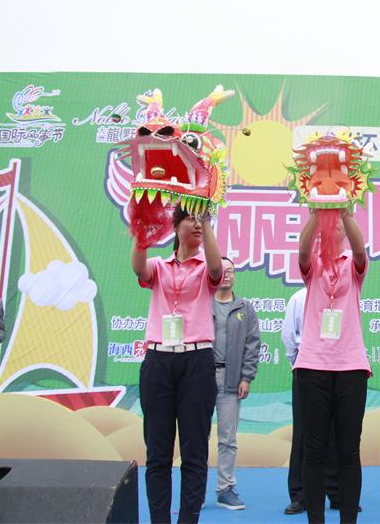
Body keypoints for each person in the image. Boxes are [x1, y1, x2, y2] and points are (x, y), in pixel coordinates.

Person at [133, 206, 223, 524]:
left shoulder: (206, 268)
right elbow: (139, 268)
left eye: (201, 219)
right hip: (159, 360)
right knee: (158, 453)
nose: (196, 224)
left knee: (194, 452)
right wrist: (141, 230)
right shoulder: (159, 266)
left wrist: (207, 221)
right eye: (190, 219)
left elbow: (217, 269)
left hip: (197, 361)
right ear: (175, 227)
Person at [295, 208, 369, 524]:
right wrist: (317, 211)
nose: (333, 223)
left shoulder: (353, 265)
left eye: (337, 221)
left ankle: (348, 519)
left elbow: (361, 251)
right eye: (330, 220)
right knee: (313, 450)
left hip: (351, 365)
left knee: (349, 450)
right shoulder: (312, 265)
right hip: (313, 364)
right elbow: (302, 250)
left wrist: (345, 211)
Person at [281, 286, 342, 515]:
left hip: (338, 369)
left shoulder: (343, 297)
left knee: (335, 432)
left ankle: (337, 493)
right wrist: (297, 365)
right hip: (307, 369)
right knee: (304, 433)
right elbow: (289, 336)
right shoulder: (299, 297)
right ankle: (300, 495)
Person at [212, 257, 261, 510]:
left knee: (228, 438)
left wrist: (246, 377)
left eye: (231, 270)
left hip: (231, 379)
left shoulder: (245, 308)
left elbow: (253, 345)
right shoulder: (202, 304)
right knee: (195, 436)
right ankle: (193, 488)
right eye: (222, 270)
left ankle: (225, 488)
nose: (227, 275)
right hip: (200, 378)